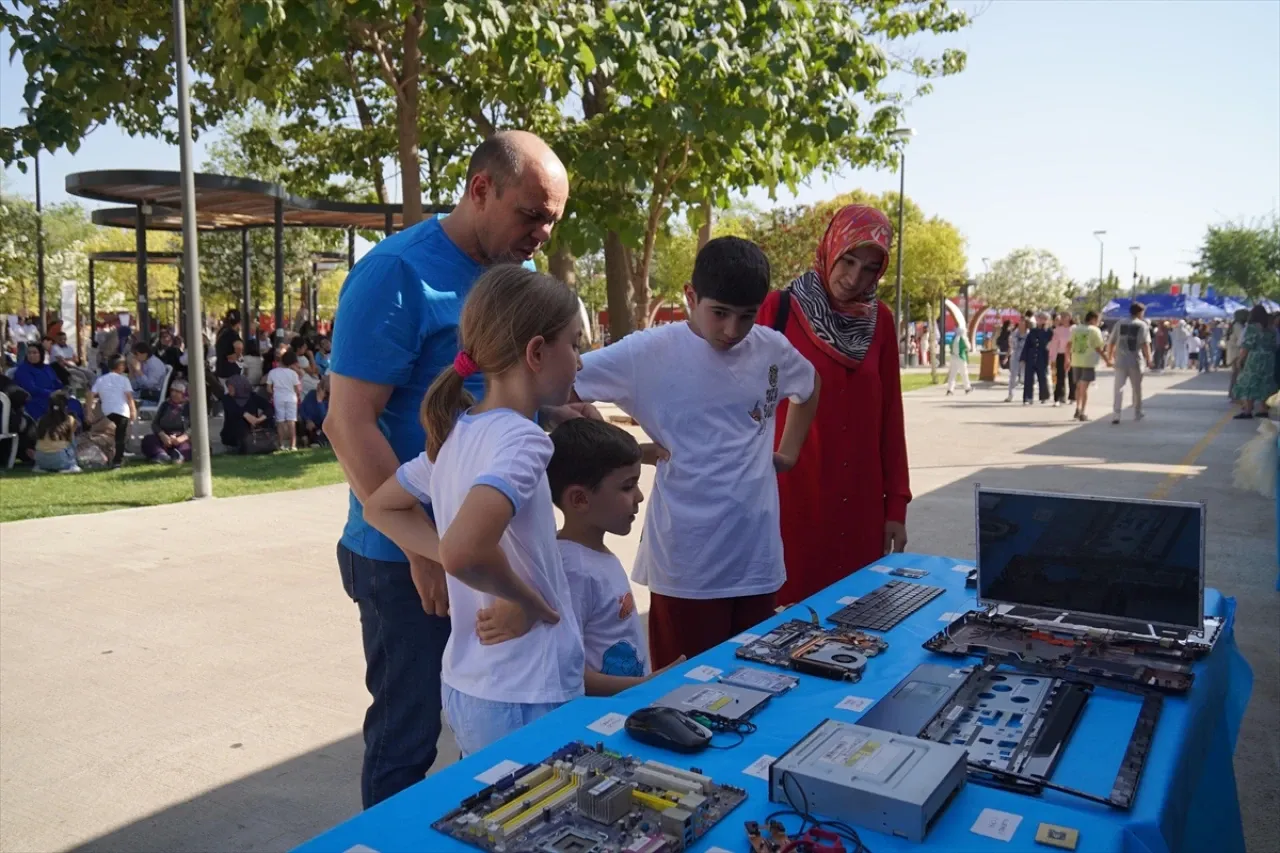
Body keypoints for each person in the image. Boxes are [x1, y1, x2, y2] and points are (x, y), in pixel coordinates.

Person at [324, 131, 572, 808]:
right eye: (532, 215)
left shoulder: (512, 276)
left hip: (473, 552)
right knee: (407, 741)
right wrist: (427, 553)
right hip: (405, 557)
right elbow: (347, 421)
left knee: (485, 739)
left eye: (552, 221)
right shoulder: (396, 273)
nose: (542, 235)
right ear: (480, 189)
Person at [361, 265, 586, 758]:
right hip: (526, 690)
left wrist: (448, 553)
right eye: (574, 345)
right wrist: (528, 600)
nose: (580, 361)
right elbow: (463, 551)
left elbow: (380, 508)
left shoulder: (458, 435)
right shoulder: (523, 440)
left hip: (474, 686)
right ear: (536, 352)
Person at [575, 236, 821, 668]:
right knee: (684, 689)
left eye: (746, 316)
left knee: (757, 681)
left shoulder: (770, 348)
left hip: (756, 557)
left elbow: (810, 384)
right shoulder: (648, 352)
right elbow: (562, 384)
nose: (732, 330)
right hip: (688, 563)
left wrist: (790, 451)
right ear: (691, 296)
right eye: (720, 313)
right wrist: (623, 448)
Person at [754, 206, 909, 604]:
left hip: (860, 507)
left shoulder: (880, 321)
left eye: (870, 269)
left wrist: (896, 506)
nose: (854, 278)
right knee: (787, 621)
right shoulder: (778, 310)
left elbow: (890, 417)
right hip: (793, 501)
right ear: (830, 248)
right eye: (848, 260)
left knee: (860, 621)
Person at [479, 417, 682, 695]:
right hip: (600, 711)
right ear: (579, 499)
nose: (639, 496)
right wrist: (643, 686)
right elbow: (564, 670)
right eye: (627, 486)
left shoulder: (594, 556)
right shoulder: (572, 570)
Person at [1107, 301, 1153, 424]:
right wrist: (1149, 359)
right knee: (1137, 388)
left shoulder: (1120, 323)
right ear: (1140, 312)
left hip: (1120, 360)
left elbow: (1111, 342)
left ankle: (1116, 414)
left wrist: (1109, 357)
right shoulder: (1142, 325)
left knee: (1118, 388)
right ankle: (1137, 412)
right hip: (1135, 361)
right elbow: (1145, 344)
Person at [88, 355, 136, 469]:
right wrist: (133, 410)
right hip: (122, 411)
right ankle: (117, 461)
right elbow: (129, 397)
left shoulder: (101, 379)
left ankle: (109, 456)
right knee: (120, 437)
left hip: (107, 412)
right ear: (120, 366)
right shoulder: (124, 380)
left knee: (109, 435)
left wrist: (89, 411)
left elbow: (90, 394)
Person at [14, 342, 82, 422]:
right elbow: (31, 388)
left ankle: (75, 426)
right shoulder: (23, 370)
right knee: (55, 409)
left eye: (35, 353)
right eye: (29, 353)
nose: (31, 355)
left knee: (74, 403)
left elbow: (56, 382)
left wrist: (63, 390)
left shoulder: (47, 368)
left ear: (41, 354)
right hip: (35, 399)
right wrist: (51, 393)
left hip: (56, 396)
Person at [1231, 305, 1278, 419]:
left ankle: (1248, 409)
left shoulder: (1252, 328)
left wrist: (1240, 359)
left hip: (1255, 358)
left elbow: (1247, 345)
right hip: (1269, 358)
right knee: (1265, 382)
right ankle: (1263, 409)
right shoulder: (1272, 329)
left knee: (1249, 382)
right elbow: (1275, 344)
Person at [1065, 311, 1106, 421]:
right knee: (1084, 388)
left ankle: (1077, 408)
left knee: (1078, 387)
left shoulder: (1075, 329)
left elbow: (1068, 344)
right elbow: (1098, 348)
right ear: (1093, 319)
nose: (1099, 322)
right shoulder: (1094, 330)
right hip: (1088, 362)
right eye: (1098, 320)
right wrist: (1107, 360)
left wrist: (1067, 359)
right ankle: (1083, 412)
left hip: (1076, 360)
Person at [141, 381, 192, 463]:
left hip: (181, 439)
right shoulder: (165, 405)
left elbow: (194, 427)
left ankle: (178, 456)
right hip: (165, 438)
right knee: (148, 440)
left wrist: (181, 438)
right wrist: (163, 435)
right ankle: (161, 455)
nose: (173, 394)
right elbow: (155, 424)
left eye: (177, 392)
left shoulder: (190, 407)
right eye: (172, 390)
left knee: (188, 447)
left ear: (184, 393)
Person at [32, 390, 81, 473]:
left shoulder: (41, 420)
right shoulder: (70, 419)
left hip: (40, 461)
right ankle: (71, 465)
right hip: (61, 460)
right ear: (65, 406)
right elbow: (72, 440)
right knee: (71, 439)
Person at [267, 350, 302, 451]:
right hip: (291, 397)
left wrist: (273, 394)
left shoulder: (273, 372)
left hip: (278, 397)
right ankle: (293, 445)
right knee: (291, 420)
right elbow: (298, 389)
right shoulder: (293, 373)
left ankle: (281, 444)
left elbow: (268, 388)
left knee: (280, 421)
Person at [1021, 312, 1052, 405]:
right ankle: (1028, 397)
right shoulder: (1032, 331)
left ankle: (1044, 397)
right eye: (1039, 318)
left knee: (1042, 378)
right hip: (1031, 357)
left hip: (1043, 357)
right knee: (1028, 378)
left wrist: (1050, 358)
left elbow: (1050, 345)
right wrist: (1023, 358)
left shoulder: (1049, 332)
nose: (1041, 320)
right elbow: (1027, 345)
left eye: (1044, 319)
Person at [1048, 313, 1075, 407]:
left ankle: (1072, 397)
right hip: (1061, 354)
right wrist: (1052, 358)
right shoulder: (1057, 330)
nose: (1063, 319)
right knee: (1060, 377)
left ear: (1070, 318)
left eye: (1065, 317)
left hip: (1073, 354)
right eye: (1062, 317)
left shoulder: (1074, 329)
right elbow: (1054, 345)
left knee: (1072, 377)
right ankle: (1057, 398)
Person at [1004, 314, 1029, 401]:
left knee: (1024, 377)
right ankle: (1010, 395)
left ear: (1026, 324)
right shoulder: (1014, 333)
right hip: (1015, 356)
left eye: (1023, 322)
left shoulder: (1029, 334)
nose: (1020, 323)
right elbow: (1010, 346)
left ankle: (1027, 395)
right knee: (1013, 376)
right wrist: (1007, 357)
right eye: (1020, 321)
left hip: (1025, 356)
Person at [1226, 309, 1249, 396]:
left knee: (1235, 374)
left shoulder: (1234, 325)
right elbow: (1241, 339)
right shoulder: (1238, 326)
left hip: (1233, 352)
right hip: (1237, 352)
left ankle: (1232, 393)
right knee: (1237, 374)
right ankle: (1234, 394)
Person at [945, 327, 971, 395]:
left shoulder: (954, 338)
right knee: (964, 373)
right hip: (961, 357)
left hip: (953, 358)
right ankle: (967, 388)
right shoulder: (963, 338)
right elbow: (968, 347)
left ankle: (950, 389)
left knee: (952, 374)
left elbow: (950, 347)